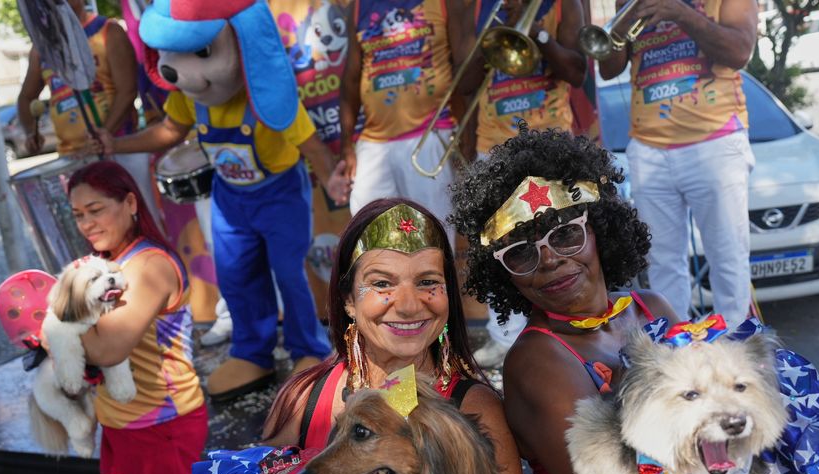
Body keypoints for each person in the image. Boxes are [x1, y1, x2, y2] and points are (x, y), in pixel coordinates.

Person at [450, 128, 819, 474]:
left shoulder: (651, 309)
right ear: (503, 275)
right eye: (521, 253)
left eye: (565, 234)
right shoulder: (538, 361)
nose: (551, 259)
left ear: (599, 227)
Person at [154, 199, 534, 474]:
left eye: (428, 282)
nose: (409, 305)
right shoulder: (306, 395)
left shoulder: (471, 406)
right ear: (349, 300)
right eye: (382, 283)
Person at [105, 0, 350, 403]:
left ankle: (309, 350)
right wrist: (117, 144)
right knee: (237, 275)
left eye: (201, 52)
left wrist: (331, 180)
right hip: (230, 197)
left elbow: (309, 143)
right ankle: (252, 352)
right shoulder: (190, 96)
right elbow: (170, 130)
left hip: (279, 194)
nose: (179, 71)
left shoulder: (266, 94)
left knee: (290, 274)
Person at [61, 161, 230, 474]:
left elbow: (108, 349)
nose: (87, 223)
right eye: (78, 215)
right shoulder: (102, 264)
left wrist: (56, 318)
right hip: (118, 418)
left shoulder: (150, 264)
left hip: (162, 420)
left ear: (130, 203)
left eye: (96, 209)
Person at [595, 0, 757, 326]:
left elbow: (740, 52)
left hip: (715, 140)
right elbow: (608, 68)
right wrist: (624, 21)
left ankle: (736, 348)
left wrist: (681, 13)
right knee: (661, 263)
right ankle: (673, 346)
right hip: (648, 146)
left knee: (728, 258)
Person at [468, 0, 586, 369]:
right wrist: (492, 38)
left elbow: (576, 71)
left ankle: (573, 332)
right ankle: (506, 338)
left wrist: (538, 34)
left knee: (563, 240)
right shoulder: (482, 7)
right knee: (500, 246)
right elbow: (466, 82)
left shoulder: (564, 5)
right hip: (493, 145)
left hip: (550, 144)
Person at [338, 0, 474, 232]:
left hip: (430, 137)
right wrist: (347, 147)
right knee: (371, 236)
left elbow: (464, 70)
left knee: (433, 236)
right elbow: (350, 80)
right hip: (373, 144)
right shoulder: (359, 6)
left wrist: (467, 138)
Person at [16, 0, 150, 199]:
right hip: (72, 159)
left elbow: (128, 91)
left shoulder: (108, 31)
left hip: (120, 149)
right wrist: (30, 132)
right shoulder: (42, 48)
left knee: (133, 212)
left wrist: (102, 137)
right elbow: (26, 97)